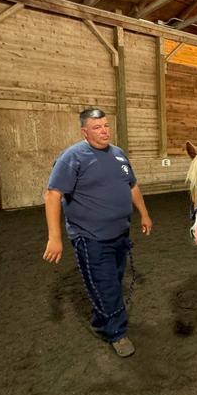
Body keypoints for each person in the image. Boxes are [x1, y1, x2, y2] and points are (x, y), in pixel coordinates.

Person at [43, 108, 152, 357]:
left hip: (120, 234)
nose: (104, 131)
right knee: (108, 287)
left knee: (112, 280)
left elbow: (132, 185)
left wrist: (144, 214)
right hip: (90, 237)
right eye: (97, 127)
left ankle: (101, 320)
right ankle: (117, 333)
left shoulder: (119, 155)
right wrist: (55, 237)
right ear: (84, 131)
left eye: (106, 126)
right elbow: (53, 195)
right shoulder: (73, 157)